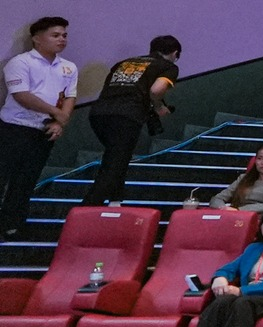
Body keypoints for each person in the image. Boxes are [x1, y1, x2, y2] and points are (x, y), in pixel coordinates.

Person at [0, 16, 76, 239]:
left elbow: (69, 96)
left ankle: (13, 225)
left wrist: (59, 121)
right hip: (14, 128)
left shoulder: (68, 67)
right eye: (55, 35)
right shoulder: (21, 62)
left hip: (43, 131)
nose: (62, 39)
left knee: (26, 180)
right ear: (37, 38)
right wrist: (56, 113)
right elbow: (21, 95)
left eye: (64, 35)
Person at [84, 34, 180, 206]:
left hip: (98, 113)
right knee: (114, 163)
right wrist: (158, 107)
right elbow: (156, 90)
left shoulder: (124, 63)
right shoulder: (168, 66)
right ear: (175, 53)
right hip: (127, 115)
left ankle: (115, 201)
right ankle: (87, 208)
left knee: (117, 158)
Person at [212, 144, 263, 213]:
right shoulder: (244, 178)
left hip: (262, 217)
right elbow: (217, 198)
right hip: (235, 216)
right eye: (259, 158)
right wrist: (223, 208)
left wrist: (239, 210)